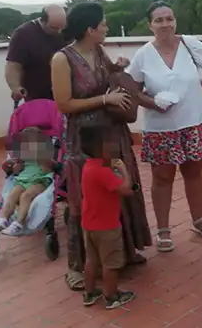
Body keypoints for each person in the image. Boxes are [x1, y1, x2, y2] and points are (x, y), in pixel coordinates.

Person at [51, 2, 152, 291]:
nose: (107, 29)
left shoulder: (97, 51)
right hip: (84, 139)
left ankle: (122, 251)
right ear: (90, 29)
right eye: (103, 25)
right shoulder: (62, 59)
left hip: (111, 131)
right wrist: (104, 100)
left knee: (119, 188)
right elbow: (64, 104)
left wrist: (117, 68)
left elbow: (106, 78)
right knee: (85, 199)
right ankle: (78, 266)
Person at [127, 1, 202, 251]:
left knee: (193, 173)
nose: (165, 24)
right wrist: (152, 102)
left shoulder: (190, 45)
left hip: (193, 122)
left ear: (175, 21)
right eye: (159, 20)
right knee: (162, 178)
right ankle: (163, 229)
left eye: (169, 18)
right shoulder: (143, 55)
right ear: (150, 25)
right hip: (161, 128)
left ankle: (198, 219)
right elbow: (133, 90)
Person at [78, 125, 136, 309]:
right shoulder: (103, 172)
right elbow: (126, 190)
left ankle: (89, 293)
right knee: (111, 263)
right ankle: (111, 295)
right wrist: (124, 170)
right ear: (99, 148)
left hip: (89, 224)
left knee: (91, 260)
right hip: (107, 226)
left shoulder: (88, 167)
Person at [0, 128, 55, 235]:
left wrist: (41, 160)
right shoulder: (22, 156)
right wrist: (16, 168)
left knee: (26, 196)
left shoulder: (45, 155)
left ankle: (18, 223)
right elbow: (17, 171)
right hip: (23, 180)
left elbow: (48, 170)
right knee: (12, 195)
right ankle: (3, 219)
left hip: (40, 181)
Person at [5, 4, 68, 101]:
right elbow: (13, 65)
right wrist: (15, 87)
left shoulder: (66, 31)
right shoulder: (23, 34)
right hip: (37, 96)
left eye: (62, 28)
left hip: (64, 94)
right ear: (42, 20)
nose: (59, 32)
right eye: (54, 28)